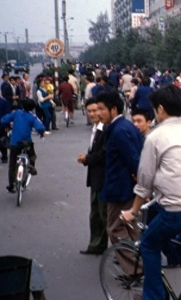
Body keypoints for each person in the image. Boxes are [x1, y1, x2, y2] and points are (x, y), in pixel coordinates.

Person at [120, 85, 181, 300]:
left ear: (160, 109)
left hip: (178, 211)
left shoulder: (155, 136)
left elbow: (144, 182)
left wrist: (133, 211)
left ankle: (154, 297)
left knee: (149, 244)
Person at [96, 91, 143, 274]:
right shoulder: (125, 126)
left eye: (101, 109)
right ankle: (139, 264)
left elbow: (133, 159)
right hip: (126, 187)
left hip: (120, 189)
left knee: (115, 228)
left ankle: (136, 270)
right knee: (130, 228)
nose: (98, 113)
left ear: (113, 110)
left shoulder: (118, 130)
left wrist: (138, 179)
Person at [77, 98, 108, 255]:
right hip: (96, 177)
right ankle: (96, 245)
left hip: (103, 178)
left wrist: (87, 159)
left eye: (95, 110)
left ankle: (121, 251)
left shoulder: (105, 130)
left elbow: (103, 154)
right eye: (89, 111)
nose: (92, 114)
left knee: (104, 215)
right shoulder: (96, 128)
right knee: (96, 214)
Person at [1, 99, 45, 193]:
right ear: (32, 108)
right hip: (26, 142)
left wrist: (7, 125)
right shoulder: (32, 117)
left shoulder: (16, 113)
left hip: (14, 143)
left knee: (12, 164)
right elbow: (40, 127)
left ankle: (11, 184)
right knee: (32, 155)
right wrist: (41, 133)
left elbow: (4, 119)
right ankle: (30, 166)